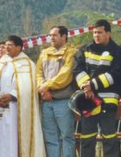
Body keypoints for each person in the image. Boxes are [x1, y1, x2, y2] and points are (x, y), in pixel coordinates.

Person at [72, 20, 121, 157]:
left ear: (108, 33)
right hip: (88, 101)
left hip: (108, 103)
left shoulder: (118, 52)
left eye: (100, 32)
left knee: (110, 139)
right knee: (87, 139)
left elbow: (116, 74)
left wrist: (92, 85)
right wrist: (87, 88)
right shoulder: (85, 49)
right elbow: (77, 69)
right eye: (94, 32)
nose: (96, 35)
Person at [0, 35, 45, 157]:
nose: (6, 47)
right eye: (5, 45)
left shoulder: (28, 64)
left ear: (19, 47)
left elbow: (29, 87)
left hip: (16, 109)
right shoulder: (0, 63)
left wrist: (12, 95)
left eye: (10, 45)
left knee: (14, 140)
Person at [36, 26, 79, 157]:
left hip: (63, 101)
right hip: (46, 101)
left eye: (54, 35)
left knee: (66, 136)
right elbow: (38, 74)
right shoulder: (44, 53)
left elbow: (65, 76)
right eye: (50, 35)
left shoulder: (72, 52)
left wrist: (46, 86)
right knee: (50, 137)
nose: (51, 38)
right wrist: (42, 89)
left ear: (64, 36)